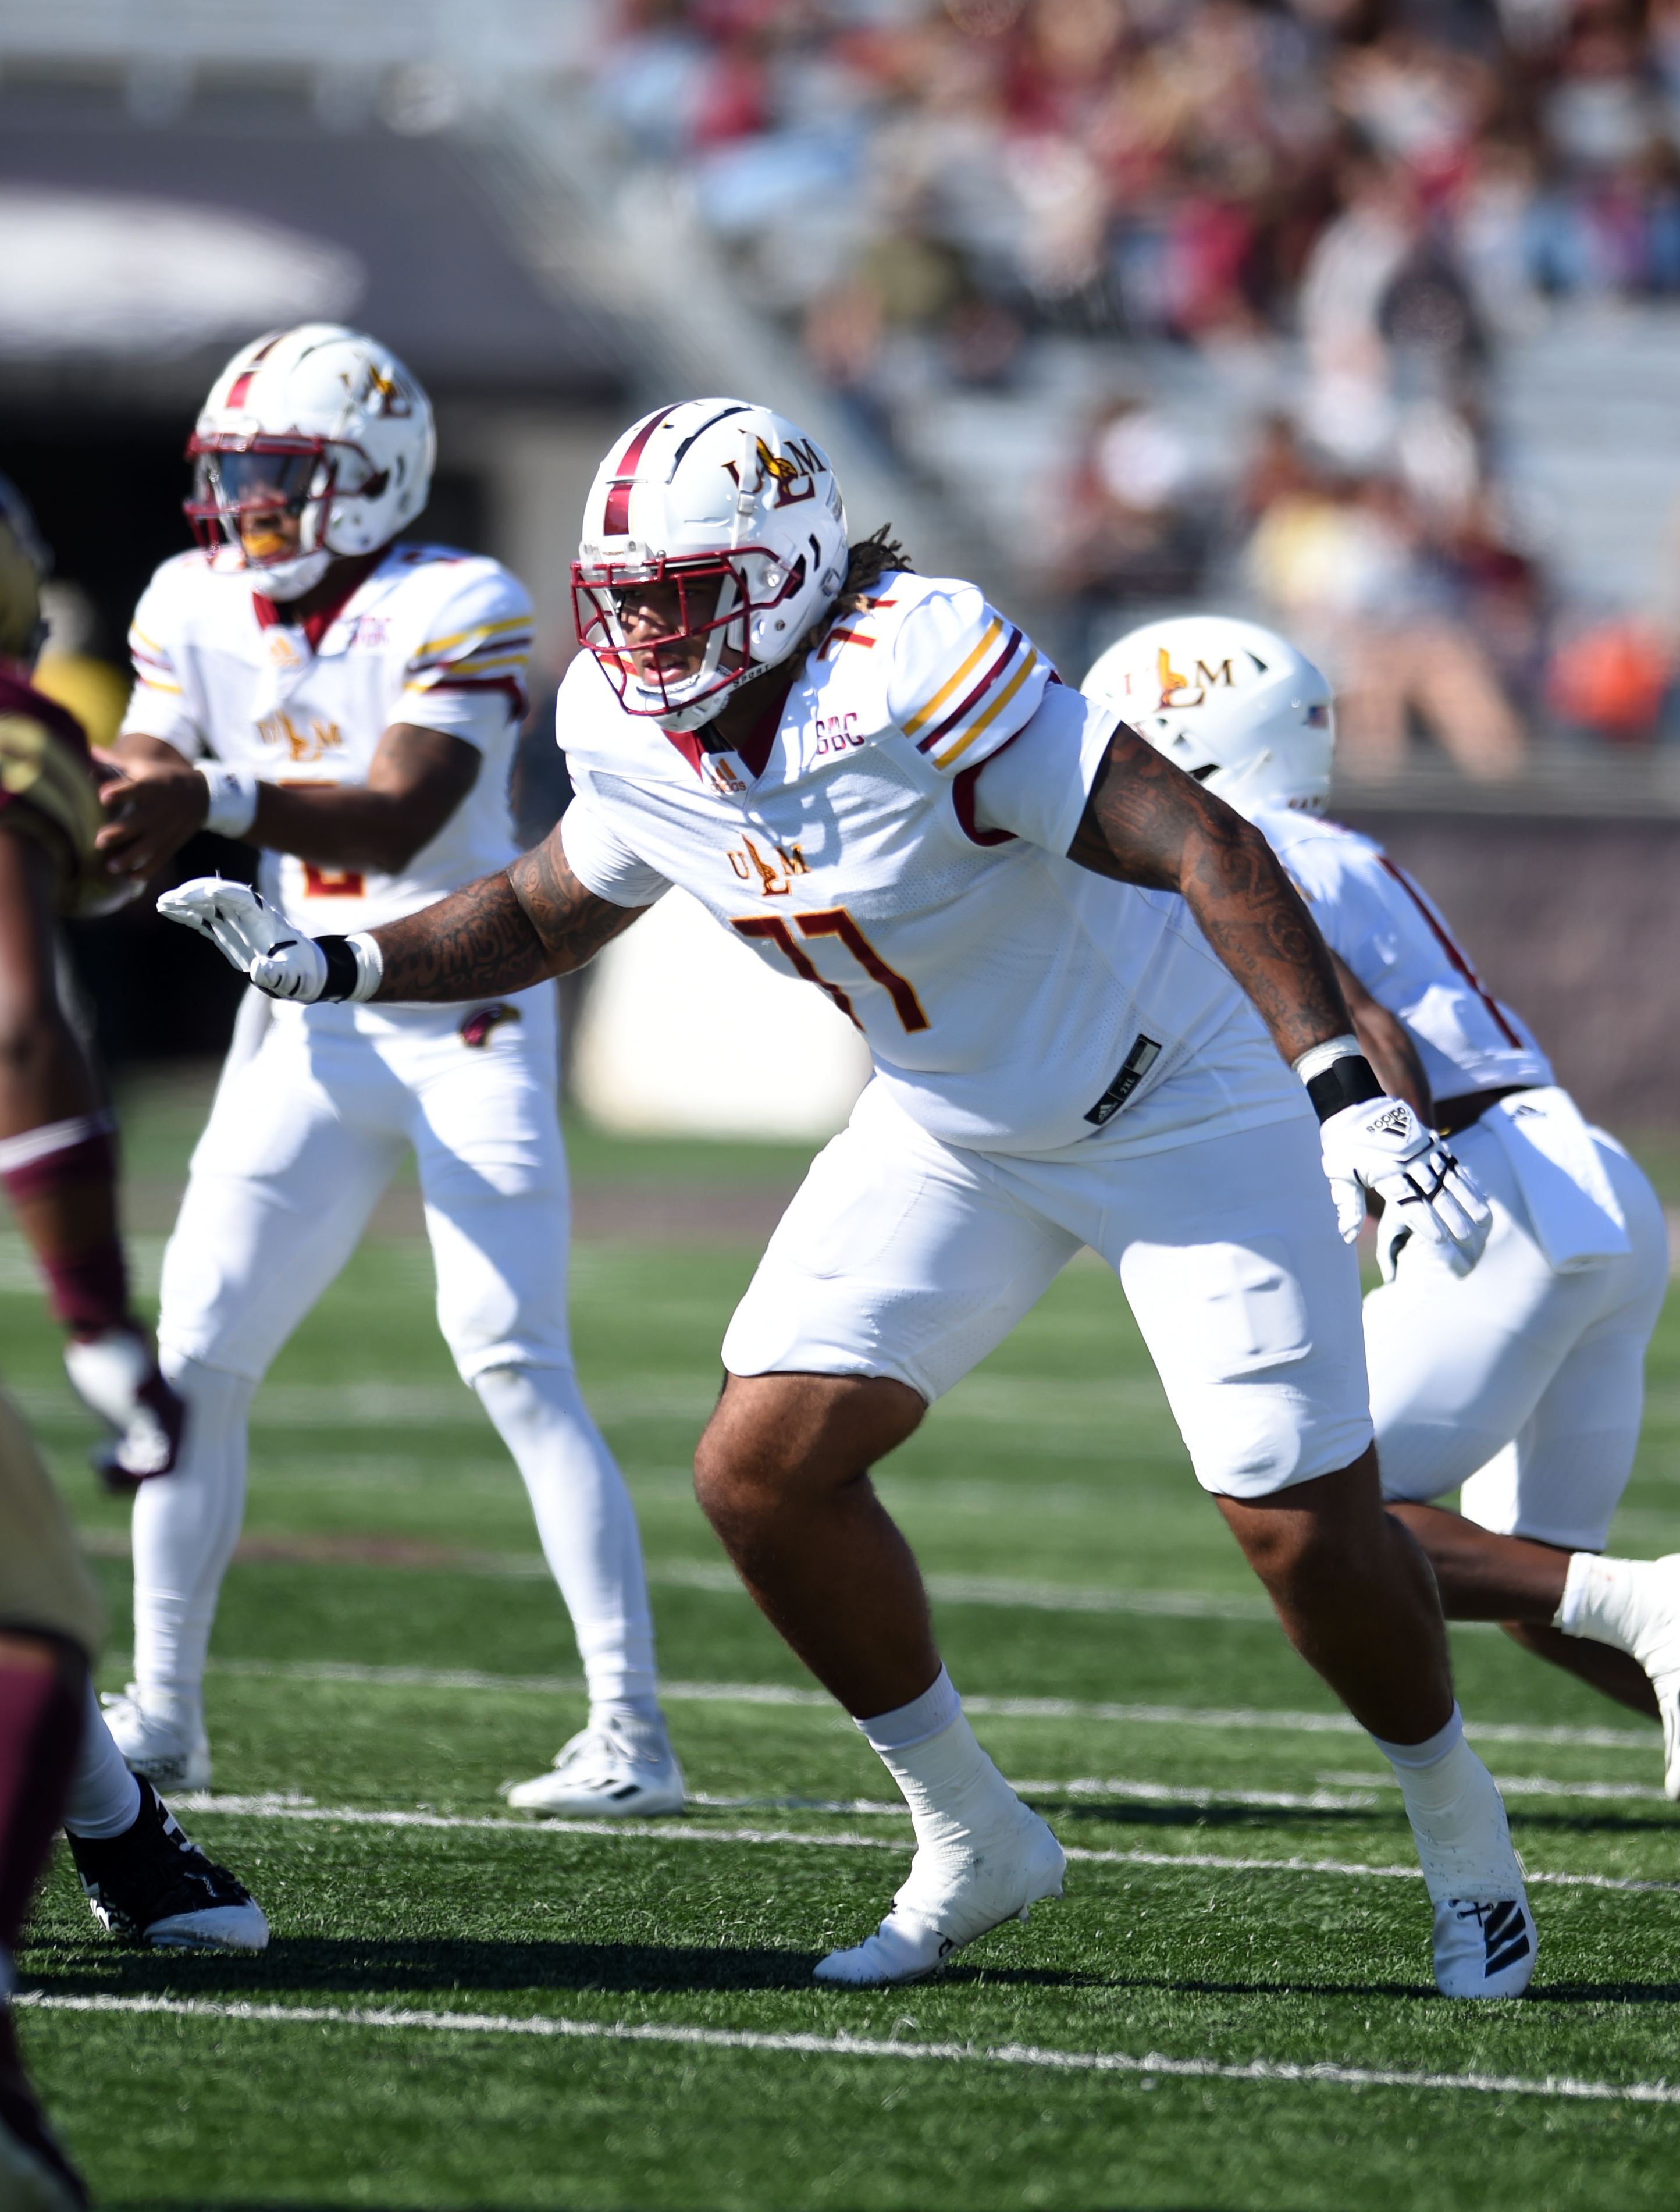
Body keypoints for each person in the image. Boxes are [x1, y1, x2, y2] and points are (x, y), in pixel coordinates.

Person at [162, 397, 1538, 2004]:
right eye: (626, 595)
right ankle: (971, 1834)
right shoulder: (632, 721)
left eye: (680, 591)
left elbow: (1208, 843)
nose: (641, 629)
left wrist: (1339, 1088)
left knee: (1297, 1528)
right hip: (953, 1123)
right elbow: (546, 906)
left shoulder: (911, 662)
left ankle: (1466, 1842)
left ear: (788, 564)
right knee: (761, 1474)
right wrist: (344, 964)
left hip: (1175, 1096)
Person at [92, 325, 682, 1818]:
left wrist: (211, 792)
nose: (248, 510)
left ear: (372, 480)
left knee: (511, 1356)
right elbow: (137, 794)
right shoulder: (189, 598)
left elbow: (410, 814)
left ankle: (631, 1731)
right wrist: (82, 826)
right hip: (292, 1011)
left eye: (280, 478)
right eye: (233, 479)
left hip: (460, 1003)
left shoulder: (457, 596)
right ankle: (163, 1713)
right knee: (196, 1359)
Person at [1084, 613, 1675, 1768]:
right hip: (1585, 1176)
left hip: (1483, 1189)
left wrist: (1396, 1178)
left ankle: (1664, 1599)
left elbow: (1360, 1020)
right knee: (1540, 1582)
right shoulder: (1335, 842)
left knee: (1330, 1513)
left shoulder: (1245, 844)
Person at [0, 479, 266, 2212]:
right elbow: (19, 1023)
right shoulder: (20, 733)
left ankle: (125, 1844)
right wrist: (99, 1319)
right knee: (32, 1610)